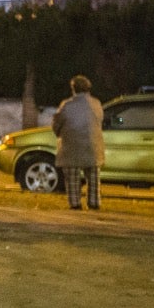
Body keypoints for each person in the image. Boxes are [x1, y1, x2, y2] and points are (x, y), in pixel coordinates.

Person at [53, 74, 104, 210]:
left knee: (72, 178)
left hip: (71, 146)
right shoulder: (96, 104)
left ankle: (75, 203)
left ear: (73, 88)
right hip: (92, 146)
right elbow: (100, 121)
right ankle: (94, 202)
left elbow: (57, 123)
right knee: (93, 177)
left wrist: (58, 133)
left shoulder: (67, 105)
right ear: (88, 88)